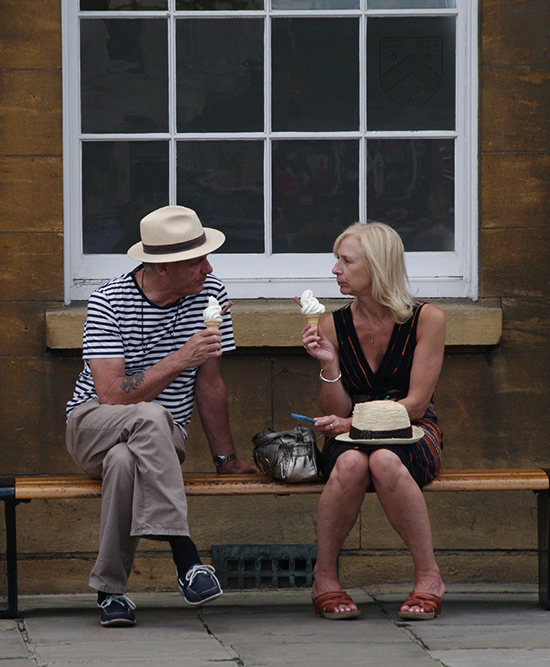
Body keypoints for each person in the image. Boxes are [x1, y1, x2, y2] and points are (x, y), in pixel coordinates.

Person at [65, 204, 258, 628]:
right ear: (163, 268)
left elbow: (209, 384)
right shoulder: (108, 301)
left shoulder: (212, 295)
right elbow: (113, 397)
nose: (208, 268)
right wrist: (178, 359)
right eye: (196, 262)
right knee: (148, 415)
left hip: (161, 439)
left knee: (125, 462)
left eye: (207, 258)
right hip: (92, 425)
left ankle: (109, 594)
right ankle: (186, 557)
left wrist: (226, 460)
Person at [300, 222, 447, 621]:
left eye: (346, 261)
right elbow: (337, 403)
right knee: (350, 462)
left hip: (412, 430)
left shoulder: (427, 319)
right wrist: (328, 366)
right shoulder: (332, 325)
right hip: (350, 430)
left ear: (378, 267)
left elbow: (415, 405)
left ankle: (429, 578)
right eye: (337, 260)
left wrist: (352, 426)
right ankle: (324, 578)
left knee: (383, 459)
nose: (335, 269)